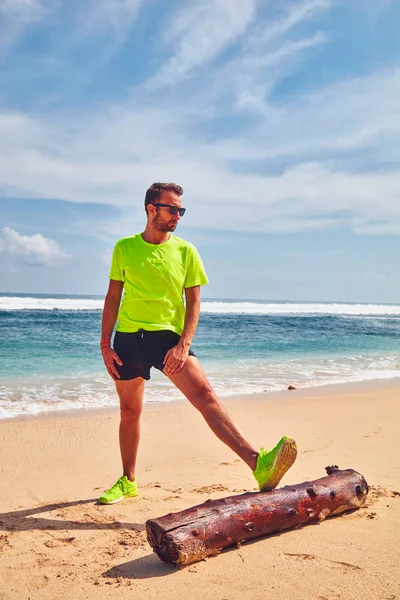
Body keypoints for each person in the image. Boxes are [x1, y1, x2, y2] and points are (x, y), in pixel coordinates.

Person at [99, 182, 297, 504]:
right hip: (128, 340)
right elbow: (112, 297)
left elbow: (194, 302)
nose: (178, 215)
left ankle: (258, 463)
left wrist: (183, 343)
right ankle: (128, 480)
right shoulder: (124, 248)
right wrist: (105, 345)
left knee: (205, 396)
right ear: (152, 209)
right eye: (172, 209)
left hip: (167, 339)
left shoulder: (186, 251)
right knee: (129, 410)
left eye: (181, 210)